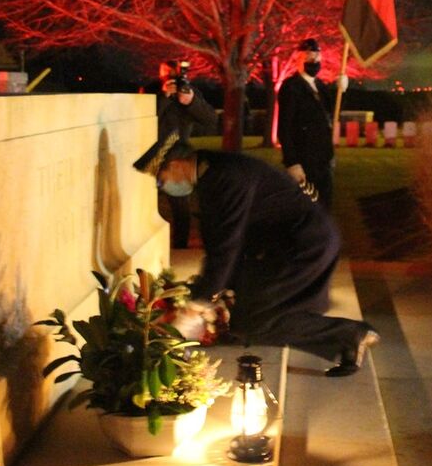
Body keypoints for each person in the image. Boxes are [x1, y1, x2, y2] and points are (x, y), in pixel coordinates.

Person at [133, 133, 379, 377]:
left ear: (176, 165)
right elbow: (223, 242)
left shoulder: (226, 177)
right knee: (252, 317)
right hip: (292, 244)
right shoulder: (212, 172)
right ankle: (347, 339)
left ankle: (349, 335)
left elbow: (227, 245)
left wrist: (200, 301)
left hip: (305, 245)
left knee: (260, 320)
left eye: (160, 180)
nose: (163, 187)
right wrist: (213, 290)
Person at [141, 59, 217, 248]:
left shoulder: (188, 92)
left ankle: (180, 246)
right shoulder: (151, 91)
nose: (169, 78)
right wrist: (165, 96)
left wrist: (190, 101)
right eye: (165, 73)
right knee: (142, 204)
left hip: (176, 155)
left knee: (180, 206)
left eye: (172, 73)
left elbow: (210, 119)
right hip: (149, 154)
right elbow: (146, 117)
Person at [277, 37, 336, 208]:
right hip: (303, 162)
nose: (315, 60)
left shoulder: (321, 86)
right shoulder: (291, 87)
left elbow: (331, 112)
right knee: (307, 211)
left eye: (318, 55)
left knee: (324, 210)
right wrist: (292, 162)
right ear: (299, 57)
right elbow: (285, 127)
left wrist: (341, 89)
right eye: (310, 55)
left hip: (324, 160)